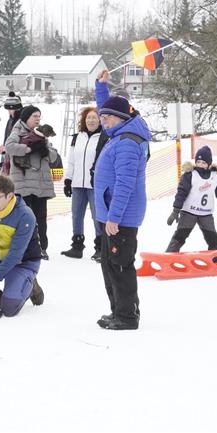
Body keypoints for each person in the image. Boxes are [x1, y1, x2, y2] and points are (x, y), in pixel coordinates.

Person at [93, 71, 151, 330]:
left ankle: (126, 317)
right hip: (111, 215)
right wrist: (101, 86)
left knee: (119, 266)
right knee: (109, 266)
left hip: (120, 217)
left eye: (107, 118)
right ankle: (119, 311)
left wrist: (114, 217)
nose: (103, 121)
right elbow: (109, 108)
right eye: (102, 118)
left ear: (122, 118)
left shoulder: (127, 142)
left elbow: (125, 185)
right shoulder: (120, 131)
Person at [0, 175, 44, 317]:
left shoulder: (25, 215)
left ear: (10, 196)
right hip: (0, 257)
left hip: (23, 263)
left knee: (9, 309)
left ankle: (30, 284)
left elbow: (16, 254)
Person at [4, 105, 56, 259]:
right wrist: (28, 149)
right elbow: (9, 147)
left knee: (41, 217)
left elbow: (53, 157)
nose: (38, 119)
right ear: (26, 117)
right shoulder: (17, 131)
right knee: (26, 218)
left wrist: (44, 149)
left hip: (40, 184)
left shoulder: (42, 134)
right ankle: (26, 248)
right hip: (24, 183)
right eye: (34, 116)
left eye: (39, 116)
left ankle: (42, 247)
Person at [166, 146, 217, 252]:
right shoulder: (190, 175)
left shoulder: (216, 177)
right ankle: (169, 256)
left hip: (206, 214)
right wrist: (175, 211)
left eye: (204, 163)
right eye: (198, 162)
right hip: (189, 213)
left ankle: (216, 258)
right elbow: (181, 193)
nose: (200, 165)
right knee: (180, 236)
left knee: (213, 238)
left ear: (209, 164)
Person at [61, 106, 104, 260]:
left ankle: (100, 247)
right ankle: (77, 246)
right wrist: (68, 180)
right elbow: (71, 161)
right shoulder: (76, 137)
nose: (91, 120)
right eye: (88, 118)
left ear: (100, 120)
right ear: (83, 121)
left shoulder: (103, 137)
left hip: (95, 184)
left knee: (97, 216)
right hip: (78, 183)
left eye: (94, 117)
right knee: (76, 215)